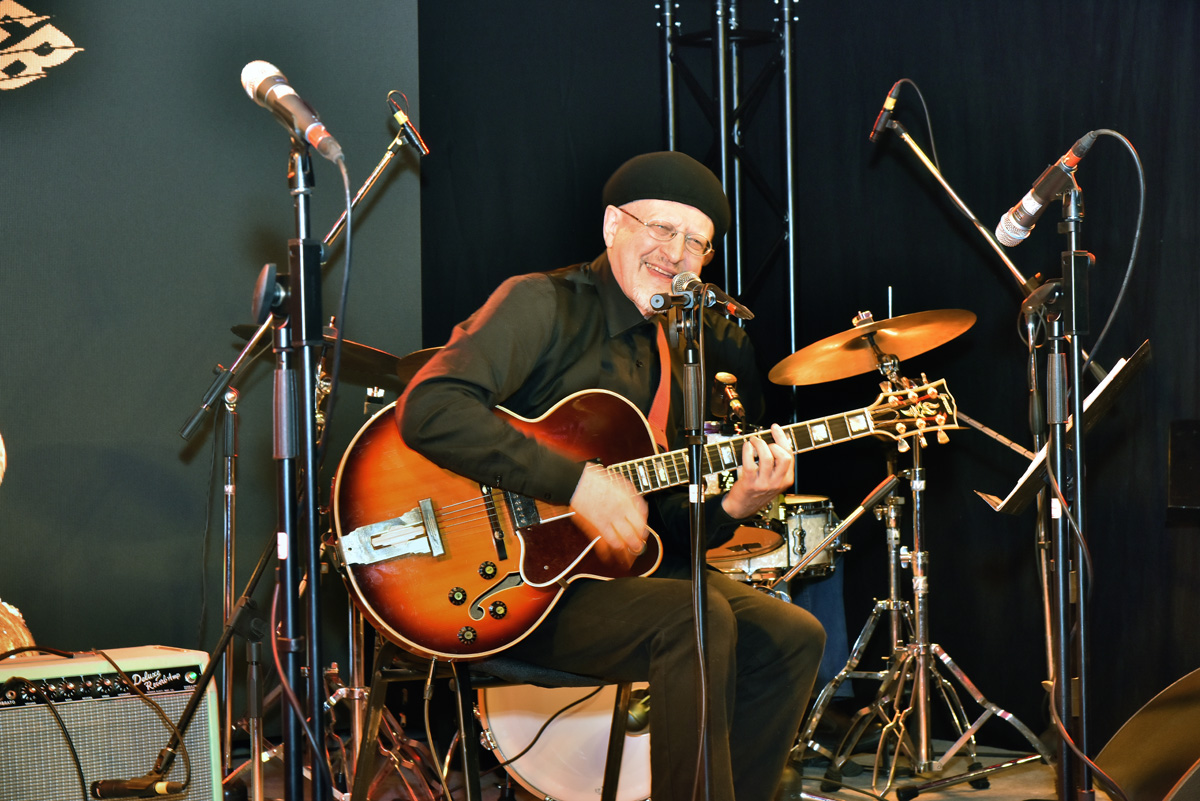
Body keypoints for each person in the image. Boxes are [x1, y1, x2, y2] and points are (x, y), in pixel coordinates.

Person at [400, 151, 825, 801]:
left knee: (792, 635)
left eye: (696, 242)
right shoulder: (541, 302)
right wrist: (576, 483)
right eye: (661, 228)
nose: (676, 253)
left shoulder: (678, 353)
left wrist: (734, 506)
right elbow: (431, 408)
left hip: (606, 581)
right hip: (510, 586)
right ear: (612, 226)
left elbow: (662, 532)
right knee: (697, 618)